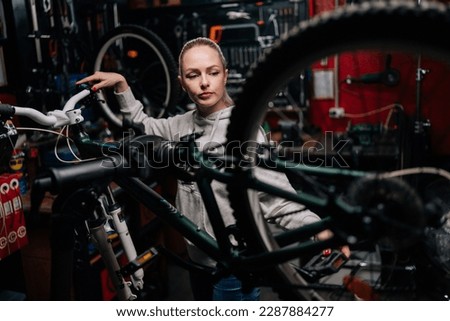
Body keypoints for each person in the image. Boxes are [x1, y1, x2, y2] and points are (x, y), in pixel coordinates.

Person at [77, 37, 349, 300]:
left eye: (213, 72)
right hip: (198, 260)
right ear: (182, 83)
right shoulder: (181, 124)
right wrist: (122, 86)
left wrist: (319, 229)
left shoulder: (243, 132)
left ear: (225, 75)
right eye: (193, 75)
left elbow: (277, 199)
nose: (205, 82)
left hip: (233, 267)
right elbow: (143, 126)